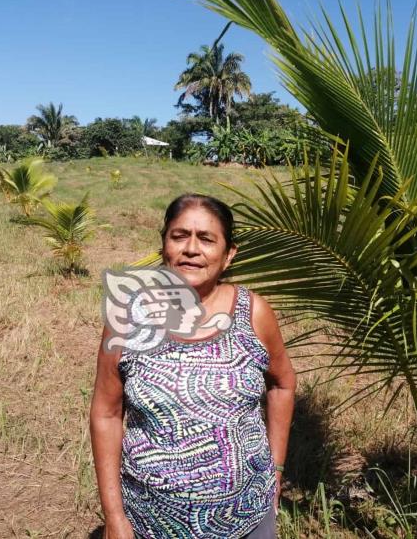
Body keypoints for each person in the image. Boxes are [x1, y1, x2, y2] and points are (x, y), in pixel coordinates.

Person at [90, 193, 297, 539]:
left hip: (248, 518)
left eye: (206, 239)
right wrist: (114, 517)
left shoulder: (253, 314)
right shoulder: (127, 319)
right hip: (149, 523)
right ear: (163, 246)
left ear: (229, 254)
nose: (191, 249)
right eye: (179, 235)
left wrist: (275, 470)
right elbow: (106, 414)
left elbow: (283, 384)